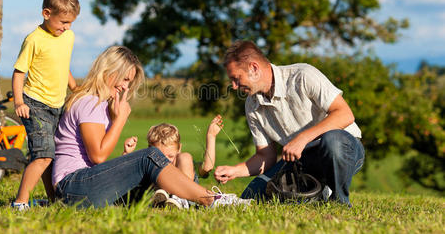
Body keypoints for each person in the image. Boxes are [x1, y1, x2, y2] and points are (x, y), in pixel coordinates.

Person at [52, 46, 249, 209]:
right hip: (74, 187)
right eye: (125, 79)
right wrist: (120, 119)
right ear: (108, 72)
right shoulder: (90, 102)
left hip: (80, 187)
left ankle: (178, 198)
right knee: (149, 156)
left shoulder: (96, 103)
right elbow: (98, 156)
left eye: (129, 81)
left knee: (151, 172)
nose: (125, 87)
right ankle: (211, 200)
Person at [214, 40, 365, 206]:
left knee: (333, 140)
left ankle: (338, 201)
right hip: (300, 162)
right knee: (250, 196)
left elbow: (345, 114)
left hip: (343, 150)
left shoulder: (303, 75)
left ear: (254, 68)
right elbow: (266, 156)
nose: (234, 87)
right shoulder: (252, 105)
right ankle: (313, 191)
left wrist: (302, 139)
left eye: (236, 79)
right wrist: (235, 170)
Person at [11, 0, 80, 210]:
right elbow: (19, 72)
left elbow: (63, 65)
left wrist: (75, 88)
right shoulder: (34, 39)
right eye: (63, 22)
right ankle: (20, 203)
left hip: (57, 106)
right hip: (34, 104)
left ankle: (54, 201)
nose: (67, 27)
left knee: (51, 156)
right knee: (42, 155)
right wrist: (19, 102)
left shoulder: (68, 37)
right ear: (46, 14)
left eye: (70, 22)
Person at [146, 115, 224, 208]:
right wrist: (127, 152)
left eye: (170, 156)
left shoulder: (182, 163)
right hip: (158, 195)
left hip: (188, 198)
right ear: (150, 150)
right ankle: (161, 196)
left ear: (179, 148)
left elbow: (207, 167)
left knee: (185, 157)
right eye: (160, 155)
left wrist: (211, 136)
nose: (165, 160)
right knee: (152, 166)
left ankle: (181, 199)